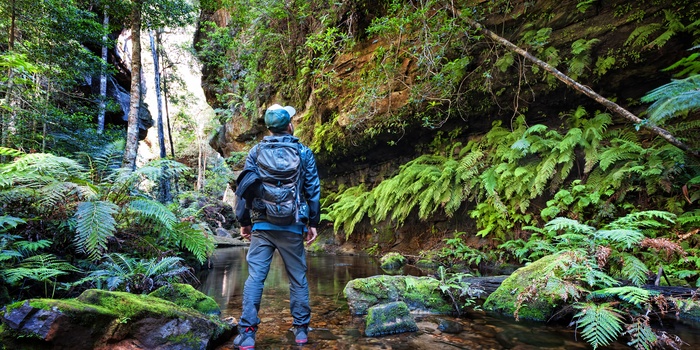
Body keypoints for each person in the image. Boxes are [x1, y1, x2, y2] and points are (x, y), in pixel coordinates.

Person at [233, 103, 321, 349]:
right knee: (298, 279)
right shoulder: (303, 152)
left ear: (270, 128)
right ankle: (301, 331)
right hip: (293, 225)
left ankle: (248, 333)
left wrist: (244, 223)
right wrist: (313, 222)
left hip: (262, 224)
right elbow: (312, 189)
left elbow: (244, 189)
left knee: (255, 279)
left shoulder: (256, 151)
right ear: (289, 125)